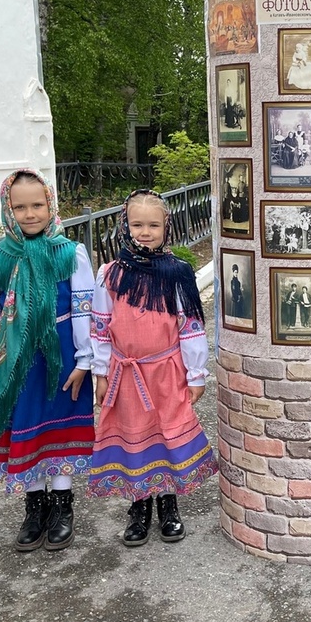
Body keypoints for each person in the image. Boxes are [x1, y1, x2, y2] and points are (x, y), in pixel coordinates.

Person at [0, 169, 95, 552]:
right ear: (7, 209)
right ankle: (34, 507)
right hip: (18, 361)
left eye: (38, 205)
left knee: (57, 427)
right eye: (20, 206)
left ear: (51, 204)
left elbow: (83, 310)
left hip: (62, 358)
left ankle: (62, 507)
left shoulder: (69, 253)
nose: (30, 214)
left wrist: (85, 360)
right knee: (26, 423)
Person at [88, 190, 217, 546]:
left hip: (166, 371)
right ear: (124, 226)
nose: (145, 231)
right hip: (125, 374)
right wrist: (101, 373)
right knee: (133, 435)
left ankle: (168, 504)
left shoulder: (177, 273)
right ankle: (139, 506)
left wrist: (195, 374)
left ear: (166, 227)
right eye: (137, 224)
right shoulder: (110, 274)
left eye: (153, 225)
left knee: (165, 434)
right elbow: (100, 327)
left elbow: (189, 326)